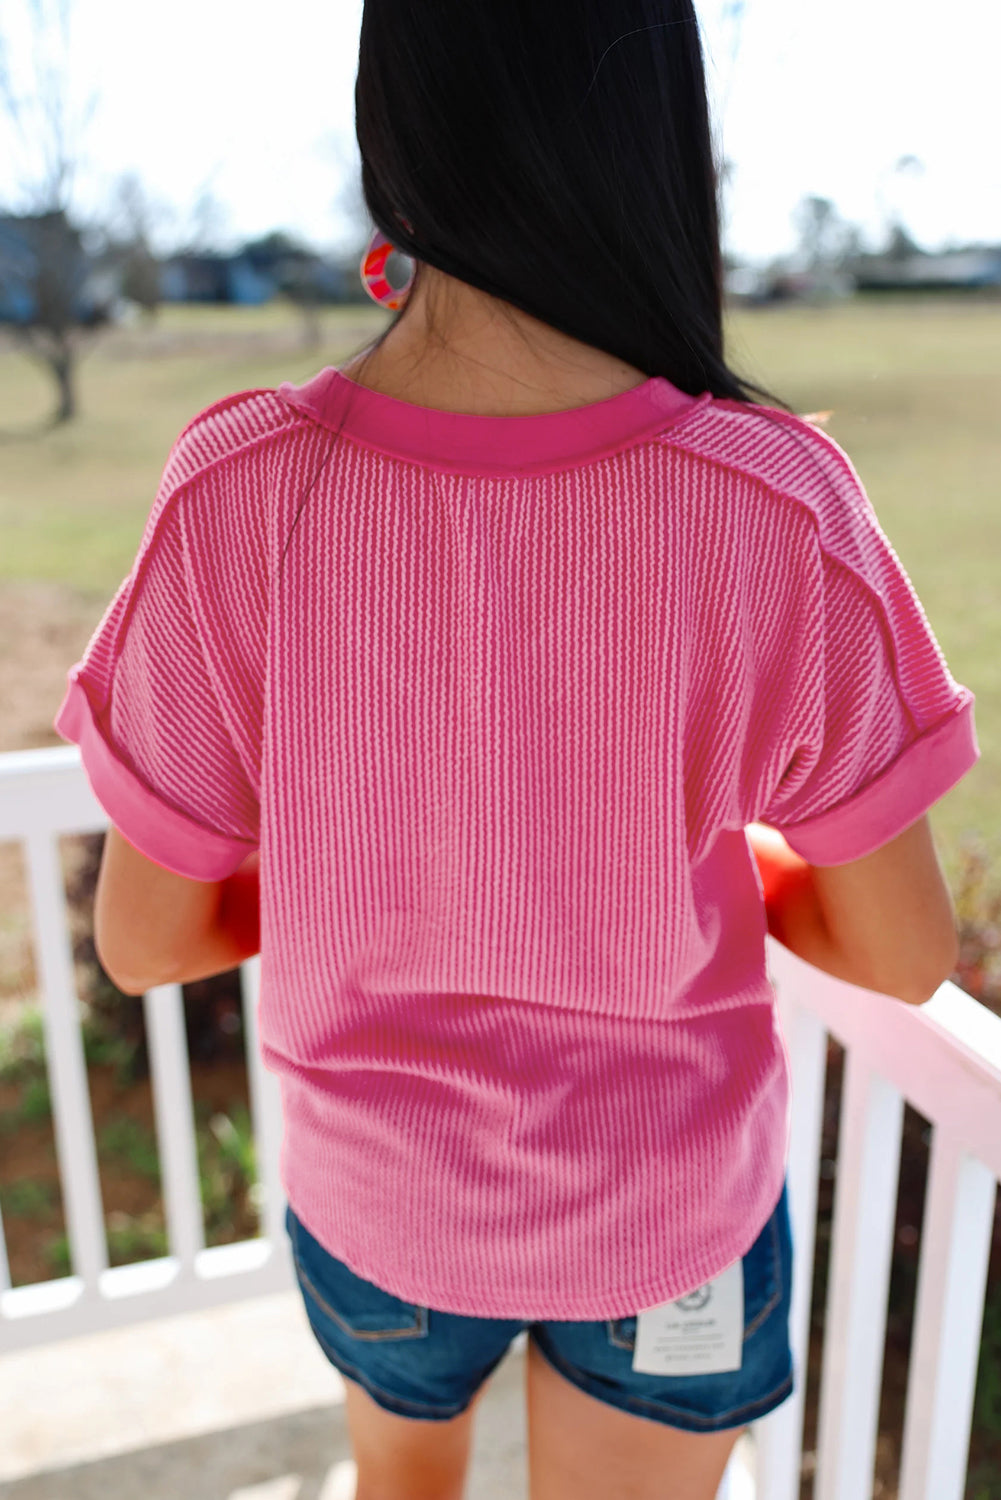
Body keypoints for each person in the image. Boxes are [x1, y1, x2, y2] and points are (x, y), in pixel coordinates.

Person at [54, 3, 979, 1497]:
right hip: (662, 1227)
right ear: (655, 137)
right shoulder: (776, 506)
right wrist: (705, 871)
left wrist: (386, 872)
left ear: (392, 138)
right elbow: (896, 954)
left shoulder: (237, 490)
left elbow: (149, 941)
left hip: (382, 1217)